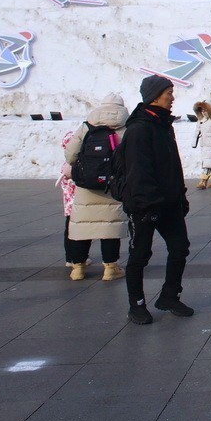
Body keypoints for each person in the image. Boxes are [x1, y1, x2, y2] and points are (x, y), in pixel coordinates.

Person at [120, 75, 193, 325]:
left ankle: (169, 296)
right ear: (155, 96)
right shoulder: (139, 129)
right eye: (169, 93)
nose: (172, 98)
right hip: (145, 205)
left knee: (180, 247)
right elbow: (137, 172)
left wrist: (179, 196)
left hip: (170, 202)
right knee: (140, 254)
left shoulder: (163, 125)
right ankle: (136, 304)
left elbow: (173, 166)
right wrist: (148, 206)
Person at [62, 92, 128, 282]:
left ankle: (78, 268)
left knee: (82, 226)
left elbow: (70, 155)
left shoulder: (87, 126)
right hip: (112, 185)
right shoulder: (126, 127)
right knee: (110, 226)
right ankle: (110, 268)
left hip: (87, 185)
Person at [192, 100, 211, 189]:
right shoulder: (201, 119)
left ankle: (203, 181)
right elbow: (197, 131)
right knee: (209, 162)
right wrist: (194, 142)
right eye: (202, 109)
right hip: (204, 144)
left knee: (208, 164)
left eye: (205, 108)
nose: (203, 111)